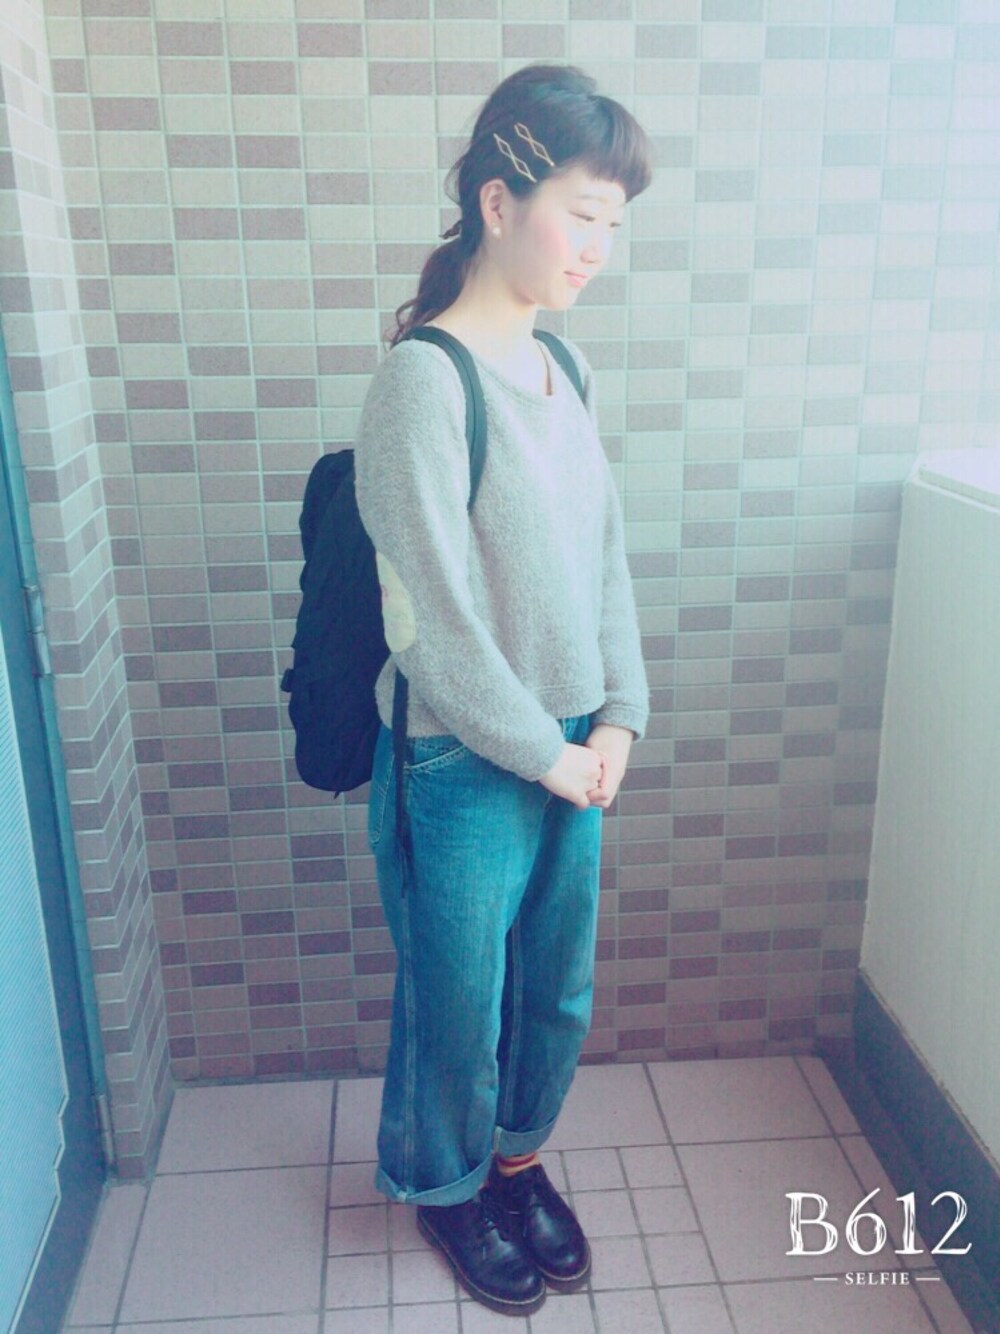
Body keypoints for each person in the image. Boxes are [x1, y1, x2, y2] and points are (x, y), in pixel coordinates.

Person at [354, 63, 653, 1318]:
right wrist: (546, 750)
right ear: (496, 201)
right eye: (581, 213)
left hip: (575, 743)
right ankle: (447, 1186)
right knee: (458, 995)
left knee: (555, 988)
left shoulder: (562, 369)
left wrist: (620, 713)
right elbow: (429, 625)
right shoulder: (424, 382)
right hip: (463, 756)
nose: (596, 246)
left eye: (612, 224)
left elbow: (603, 558)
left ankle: (516, 1165)